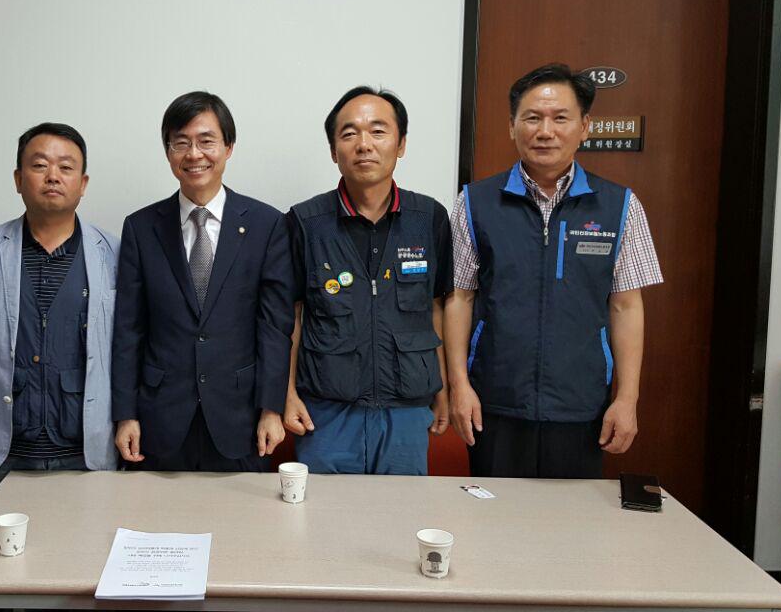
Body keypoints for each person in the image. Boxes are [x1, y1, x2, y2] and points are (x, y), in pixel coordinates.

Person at [445, 63, 663, 478]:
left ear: (585, 127)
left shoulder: (619, 206)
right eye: (532, 118)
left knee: (571, 517)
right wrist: (459, 385)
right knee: (494, 511)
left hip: (581, 404)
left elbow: (626, 306)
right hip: (495, 401)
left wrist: (627, 398)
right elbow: (459, 296)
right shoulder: (475, 202)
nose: (545, 131)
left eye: (560, 118)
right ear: (512, 126)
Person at [111, 91, 294, 471]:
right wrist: (125, 414)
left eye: (206, 141)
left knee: (241, 511)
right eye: (181, 143)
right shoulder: (141, 228)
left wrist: (271, 409)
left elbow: (274, 328)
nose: (194, 154)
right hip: (160, 418)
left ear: (228, 147)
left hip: (240, 418)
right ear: (168, 153)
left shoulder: (266, 225)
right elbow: (129, 329)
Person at [0, 123, 119, 491]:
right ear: (18, 179)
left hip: (87, 446)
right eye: (39, 165)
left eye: (66, 167)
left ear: (83, 183)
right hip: (6, 443)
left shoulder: (115, 252)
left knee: (90, 529)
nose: (53, 176)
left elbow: (131, 348)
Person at [283, 86, 453, 475]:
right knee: (324, 512)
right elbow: (290, 317)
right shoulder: (304, 223)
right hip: (326, 411)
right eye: (349, 133)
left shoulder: (429, 218)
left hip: (407, 409)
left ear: (401, 144)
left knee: (401, 511)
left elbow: (436, 309)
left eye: (378, 131)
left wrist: (443, 387)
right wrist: (287, 393)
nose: (364, 145)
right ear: (333, 150)